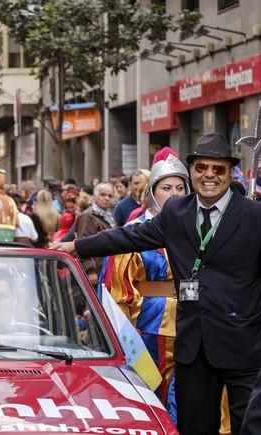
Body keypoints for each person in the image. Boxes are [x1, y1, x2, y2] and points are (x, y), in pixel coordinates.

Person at [53, 133, 261, 435]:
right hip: (193, 348)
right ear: (192, 171)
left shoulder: (254, 216)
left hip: (243, 347)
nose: (210, 175)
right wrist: (77, 246)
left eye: (218, 169)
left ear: (230, 173)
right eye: (203, 167)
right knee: (193, 427)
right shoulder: (177, 212)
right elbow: (128, 236)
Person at [98, 151, 190, 424]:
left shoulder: (197, 229)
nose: (174, 194)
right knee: (151, 400)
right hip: (148, 332)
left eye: (180, 187)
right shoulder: (135, 231)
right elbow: (116, 294)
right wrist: (127, 339)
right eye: (166, 188)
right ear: (152, 192)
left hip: (194, 325)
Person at [75, 182, 116, 286]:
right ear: (94, 196)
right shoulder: (88, 216)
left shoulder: (108, 215)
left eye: (110, 196)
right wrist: (90, 271)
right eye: (102, 194)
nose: (106, 198)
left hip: (107, 269)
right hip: (96, 271)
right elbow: (82, 244)